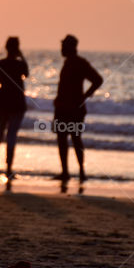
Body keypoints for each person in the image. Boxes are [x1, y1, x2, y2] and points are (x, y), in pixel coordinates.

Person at [52, 34, 102, 182]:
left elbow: (98, 80)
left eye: (63, 46)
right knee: (65, 139)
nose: (61, 49)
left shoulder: (80, 63)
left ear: (70, 47)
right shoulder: (70, 62)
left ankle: (80, 172)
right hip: (64, 108)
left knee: (74, 139)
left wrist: (85, 96)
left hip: (73, 109)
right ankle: (67, 172)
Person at [0, 36, 29, 180]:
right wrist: (21, 56)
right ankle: (8, 169)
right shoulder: (19, 64)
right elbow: (26, 74)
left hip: (2, 101)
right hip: (16, 102)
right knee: (11, 136)